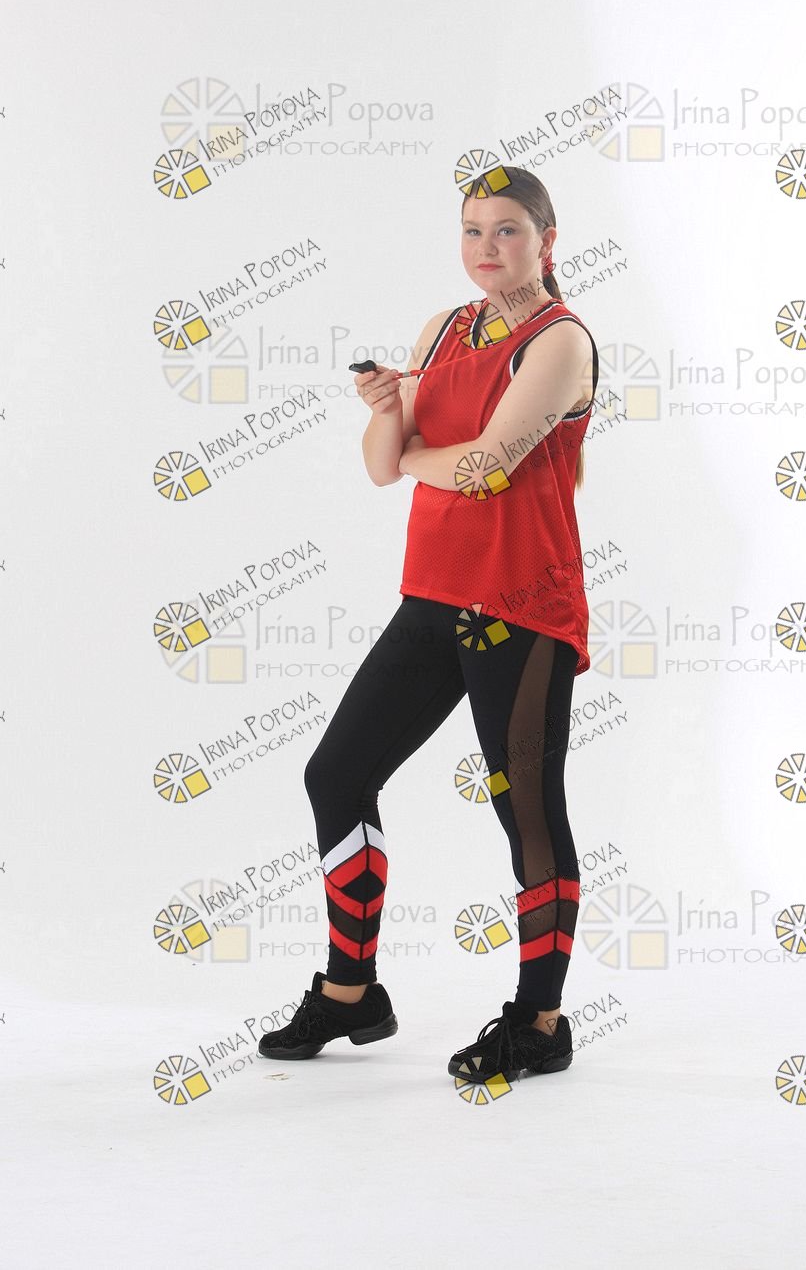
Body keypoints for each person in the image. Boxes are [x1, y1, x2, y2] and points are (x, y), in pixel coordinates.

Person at [258, 167, 600, 1086]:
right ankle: (350, 991)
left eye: (508, 230)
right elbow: (383, 467)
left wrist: (416, 449)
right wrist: (389, 418)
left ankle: (540, 1022)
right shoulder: (445, 329)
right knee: (336, 774)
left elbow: (489, 468)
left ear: (547, 240)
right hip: (436, 595)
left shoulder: (561, 341)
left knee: (526, 809)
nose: (487, 247)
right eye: (472, 230)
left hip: (521, 604)